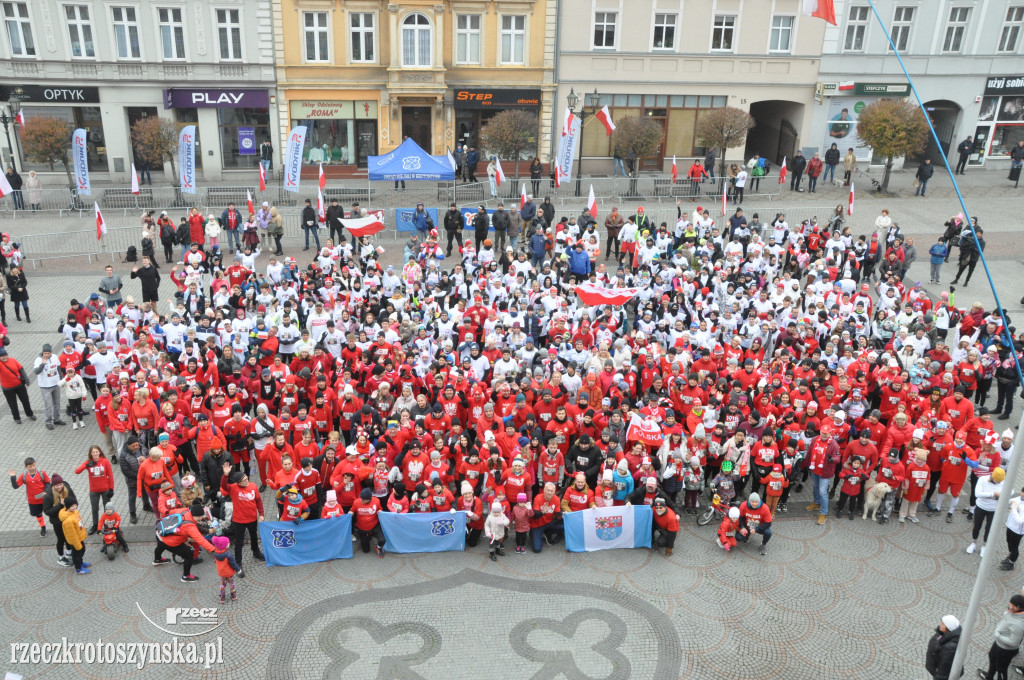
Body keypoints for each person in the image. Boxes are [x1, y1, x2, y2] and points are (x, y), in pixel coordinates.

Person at [153, 503, 217, 582]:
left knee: (160, 545)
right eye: (199, 517)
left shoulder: (185, 510)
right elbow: (201, 540)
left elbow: (171, 512)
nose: (200, 519)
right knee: (189, 555)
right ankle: (186, 576)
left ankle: (157, 559)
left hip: (160, 532)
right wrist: (213, 550)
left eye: (201, 516)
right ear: (194, 515)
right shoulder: (190, 527)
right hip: (170, 542)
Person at [978, 595, 1024, 680]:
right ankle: (989, 676)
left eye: (1011, 605)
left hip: (1005, 650)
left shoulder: (1019, 624)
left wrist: (998, 635)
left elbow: (1013, 642)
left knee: (1001, 669)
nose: (1009, 606)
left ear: (1018, 607)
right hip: (999, 644)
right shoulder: (1014, 611)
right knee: (992, 657)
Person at [74, 445, 115, 534]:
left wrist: (111, 488)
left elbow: (110, 475)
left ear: (99, 452)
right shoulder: (88, 462)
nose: (95, 454)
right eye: (93, 452)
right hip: (94, 490)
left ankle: (107, 525)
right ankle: (95, 525)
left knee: (107, 509)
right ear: (91, 454)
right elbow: (77, 471)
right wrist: (86, 465)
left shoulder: (105, 461)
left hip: (105, 489)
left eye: (96, 452)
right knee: (94, 509)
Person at [9, 457, 50, 535]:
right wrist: (13, 477)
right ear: (26, 467)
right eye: (30, 466)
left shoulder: (41, 473)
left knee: (50, 512)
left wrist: (45, 492)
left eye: (34, 465)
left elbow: (48, 483)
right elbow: (15, 486)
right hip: (33, 501)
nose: (33, 468)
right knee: (38, 514)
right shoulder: (24, 476)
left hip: (45, 498)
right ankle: (43, 527)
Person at [42, 473, 77, 566]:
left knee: (69, 536)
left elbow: (75, 500)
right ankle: (60, 557)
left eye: (61, 484)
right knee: (61, 539)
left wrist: (72, 506)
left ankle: (69, 552)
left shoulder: (67, 489)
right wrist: (60, 506)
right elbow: (47, 512)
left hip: (68, 518)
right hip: (57, 522)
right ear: (53, 486)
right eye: (57, 485)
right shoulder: (48, 496)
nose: (59, 487)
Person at [33, 343, 64, 430]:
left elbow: (58, 368)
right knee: (48, 405)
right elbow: (36, 372)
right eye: (45, 353)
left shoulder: (54, 357)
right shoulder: (38, 360)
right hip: (45, 386)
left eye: (48, 353)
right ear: (42, 353)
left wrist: (61, 378)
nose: (46, 355)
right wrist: (42, 364)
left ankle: (57, 419)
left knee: (57, 403)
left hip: (56, 384)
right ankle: (48, 421)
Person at [0, 346, 34, 423]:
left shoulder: (13, 360)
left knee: (25, 400)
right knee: (13, 404)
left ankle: (30, 414)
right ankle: (16, 418)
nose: (4, 357)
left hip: (20, 385)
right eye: (2, 356)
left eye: (5, 355)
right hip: (8, 389)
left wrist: (26, 379)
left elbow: (21, 369)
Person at [350, 488, 386, 557]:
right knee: (366, 550)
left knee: (382, 540)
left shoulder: (376, 501)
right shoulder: (356, 502)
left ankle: (378, 547)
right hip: (362, 528)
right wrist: (350, 513)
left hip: (374, 525)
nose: (361, 500)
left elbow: (380, 509)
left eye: (363, 499)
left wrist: (380, 511)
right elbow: (352, 510)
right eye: (361, 498)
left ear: (369, 499)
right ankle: (368, 536)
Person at [59, 499, 91, 574]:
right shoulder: (68, 521)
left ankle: (80, 563)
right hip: (75, 540)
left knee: (82, 550)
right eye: (72, 506)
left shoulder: (75, 512)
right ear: (67, 507)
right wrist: (77, 544)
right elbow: (72, 535)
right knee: (77, 553)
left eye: (75, 505)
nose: (74, 507)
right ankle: (79, 568)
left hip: (79, 537)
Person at [926, 615, 960, 680]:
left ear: (948, 628)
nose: (939, 624)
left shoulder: (949, 649)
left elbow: (944, 671)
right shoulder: (943, 633)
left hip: (937, 672)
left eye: (942, 624)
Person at [211, 535, 241, 603]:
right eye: (228, 543)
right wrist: (238, 569)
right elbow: (233, 564)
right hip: (229, 573)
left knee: (223, 584)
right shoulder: (228, 554)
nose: (229, 543)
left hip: (221, 572)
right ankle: (233, 595)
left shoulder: (215, 553)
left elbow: (216, 561)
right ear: (224, 545)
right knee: (231, 583)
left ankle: (222, 597)